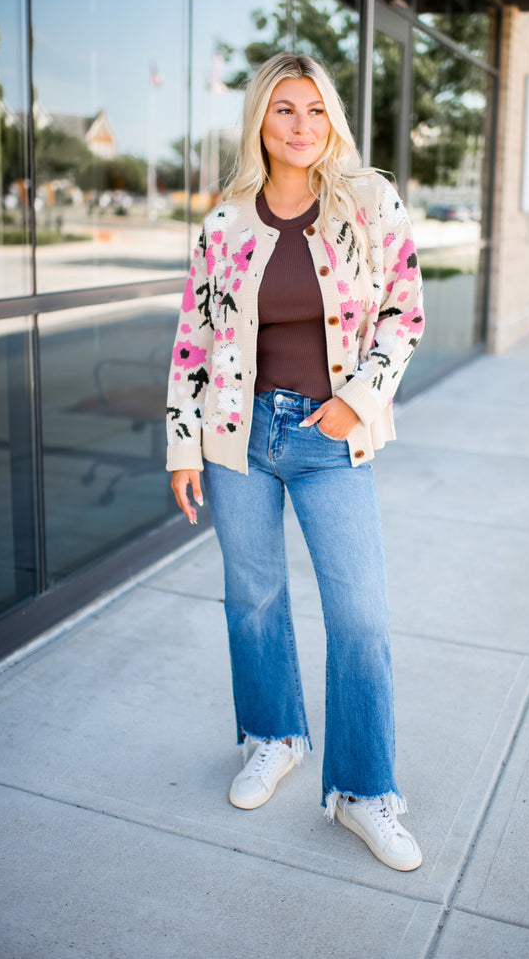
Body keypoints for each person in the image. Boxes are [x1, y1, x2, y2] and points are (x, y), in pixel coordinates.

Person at [167, 53, 425, 872]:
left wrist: (359, 398)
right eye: (285, 110)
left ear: (333, 121)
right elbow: (194, 342)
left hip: (328, 439)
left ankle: (363, 788)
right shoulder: (223, 223)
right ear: (260, 121)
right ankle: (274, 735)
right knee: (253, 598)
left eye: (316, 110)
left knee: (361, 617)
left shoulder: (367, 202)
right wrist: (182, 443)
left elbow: (404, 313)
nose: (302, 125)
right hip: (238, 437)